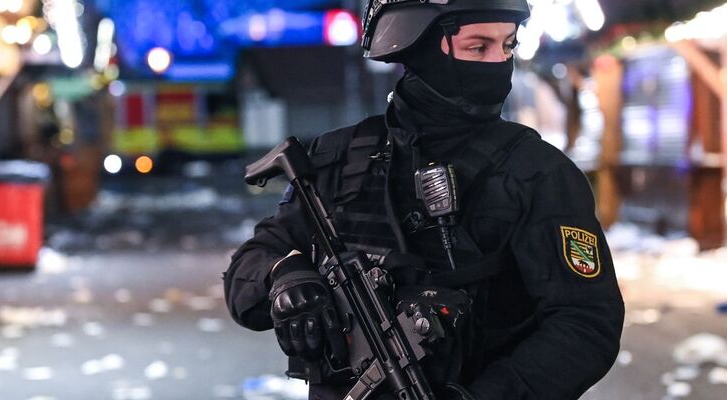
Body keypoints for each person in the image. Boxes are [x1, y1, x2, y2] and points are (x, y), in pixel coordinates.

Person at [223, 0, 625, 398]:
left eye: (508, 45)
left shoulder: (535, 172)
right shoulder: (339, 158)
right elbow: (246, 273)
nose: (499, 62)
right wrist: (284, 276)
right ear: (420, 46)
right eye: (478, 47)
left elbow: (586, 322)